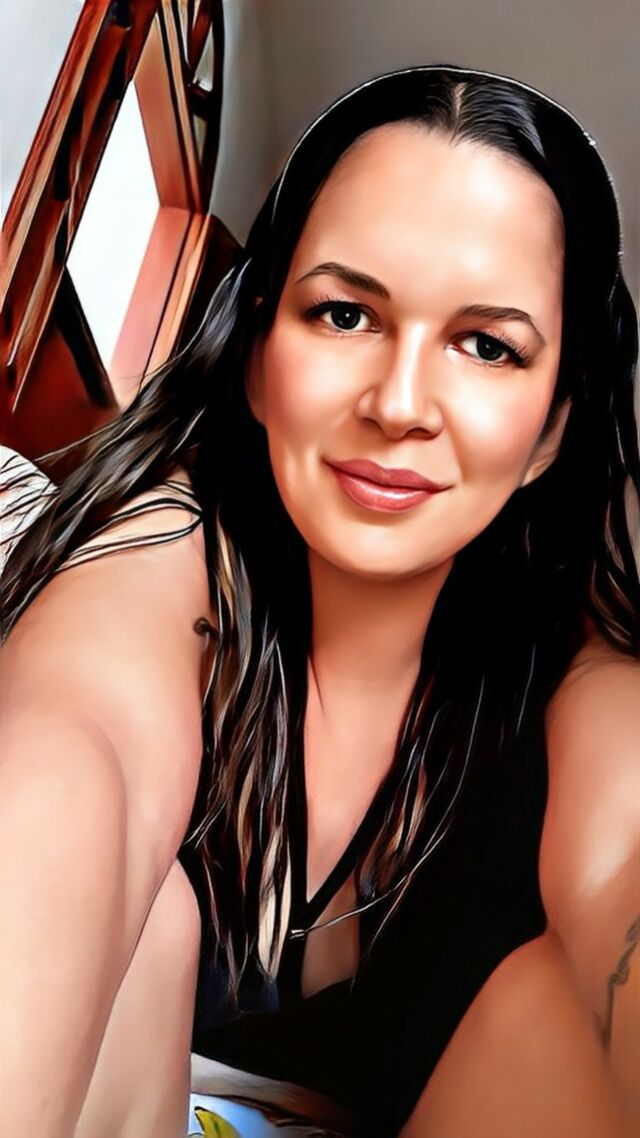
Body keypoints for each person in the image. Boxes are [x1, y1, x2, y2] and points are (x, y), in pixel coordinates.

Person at [1, 63, 639, 1138]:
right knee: (153, 920)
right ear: (257, 356)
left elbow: (622, 855)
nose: (399, 404)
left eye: (487, 346)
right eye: (344, 314)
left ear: (550, 431)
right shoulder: (164, 549)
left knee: (555, 1015)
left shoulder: (573, 676)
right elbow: (62, 764)